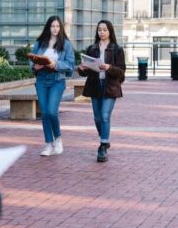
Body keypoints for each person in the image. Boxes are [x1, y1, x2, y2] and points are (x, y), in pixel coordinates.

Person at [78, 20, 126, 162]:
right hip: (95, 85)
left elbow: (121, 71)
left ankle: (103, 145)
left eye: (104, 30)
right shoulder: (92, 48)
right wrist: (82, 69)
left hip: (110, 86)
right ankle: (104, 138)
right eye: (99, 30)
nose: (102, 32)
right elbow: (85, 73)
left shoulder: (117, 49)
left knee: (105, 116)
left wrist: (109, 67)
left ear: (110, 31)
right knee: (97, 118)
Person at [30, 15, 75, 156]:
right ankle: (49, 144)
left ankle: (58, 138)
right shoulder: (40, 43)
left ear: (60, 28)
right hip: (42, 80)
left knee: (51, 111)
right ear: (48, 27)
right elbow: (32, 59)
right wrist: (34, 66)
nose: (55, 29)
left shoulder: (66, 44)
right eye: (52, 26)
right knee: (44, 113)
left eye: (57, 26)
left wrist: (55, 64)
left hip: (57, 80)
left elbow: (70, 65)